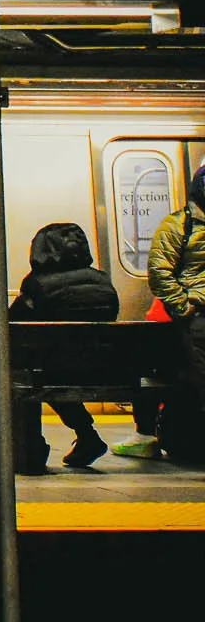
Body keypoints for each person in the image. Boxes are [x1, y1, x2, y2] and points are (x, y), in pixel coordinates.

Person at [6, 221, 119, 470]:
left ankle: (31, 451)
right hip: (105, 371)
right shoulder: (103, 282)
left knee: (19, 374)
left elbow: (12, 325)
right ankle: (87, 436)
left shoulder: (38, 285)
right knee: (54, 368)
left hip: (52, 370)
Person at [141, 164, 205, 462]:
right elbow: (160, 272)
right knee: (197, 378)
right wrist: (184, 307)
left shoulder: (178, 226)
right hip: (196, 318)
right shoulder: (179, 225)